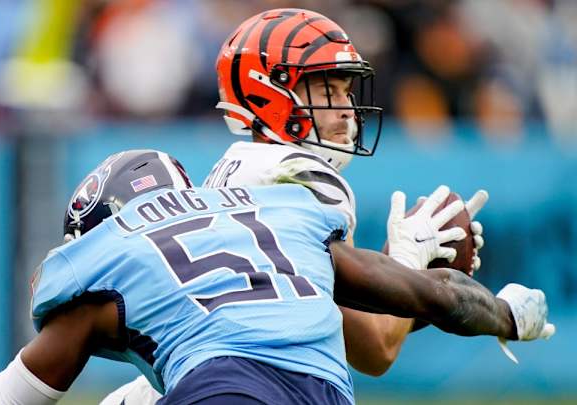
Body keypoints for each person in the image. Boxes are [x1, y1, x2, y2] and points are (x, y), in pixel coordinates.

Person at [0, 150, 554, 405]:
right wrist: (507, 315)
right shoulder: (281, 213)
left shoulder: (107, 262)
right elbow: (435, 296)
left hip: (223, 390)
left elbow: (5, 401)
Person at [102, 7, 489, 404]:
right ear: (267, 91)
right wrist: (409, 260)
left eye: (346, 91)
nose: (345, 107)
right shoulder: (300, 176)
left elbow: (342, 324)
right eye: (327, 89)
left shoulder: (234, 168)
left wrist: (408, 288)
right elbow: (374, 348)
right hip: (250, 384)